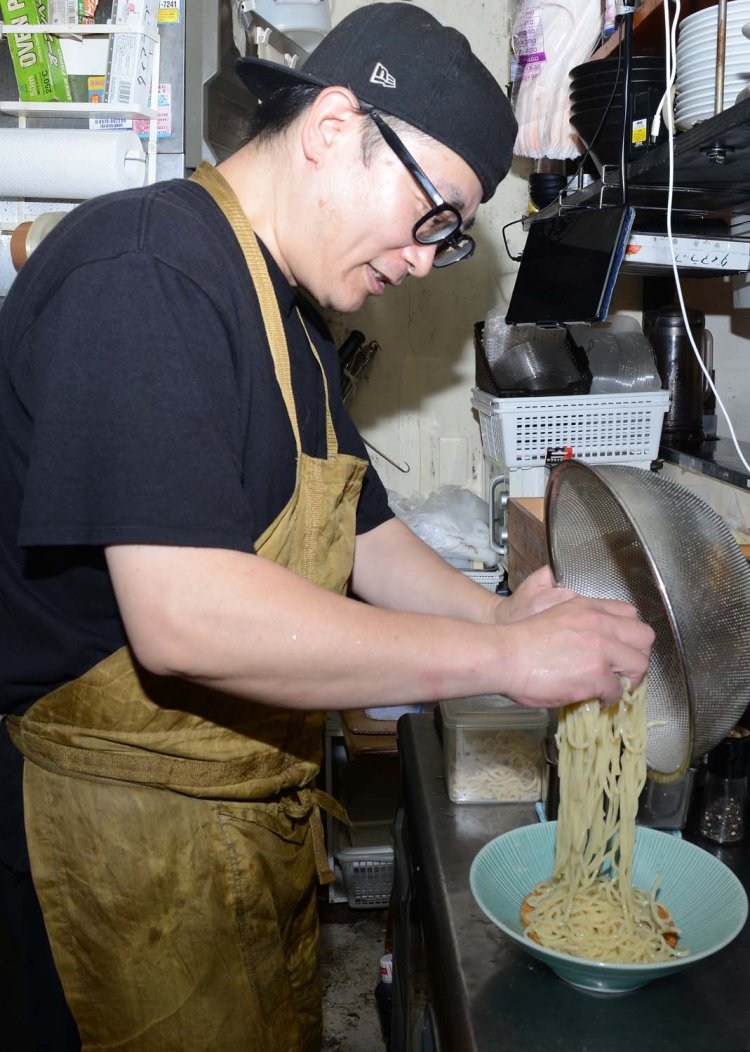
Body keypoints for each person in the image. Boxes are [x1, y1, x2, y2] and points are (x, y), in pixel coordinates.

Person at [0, 3, 654, 1049]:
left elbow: (365, 535)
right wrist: (505, 663)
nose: (423, 259)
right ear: (334, 128)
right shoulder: (147, 268)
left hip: (226, 822)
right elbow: (187, 618)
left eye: (452, 239)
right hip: (99, 836)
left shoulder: (291, 313)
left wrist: (500, 617)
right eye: (435, 216)